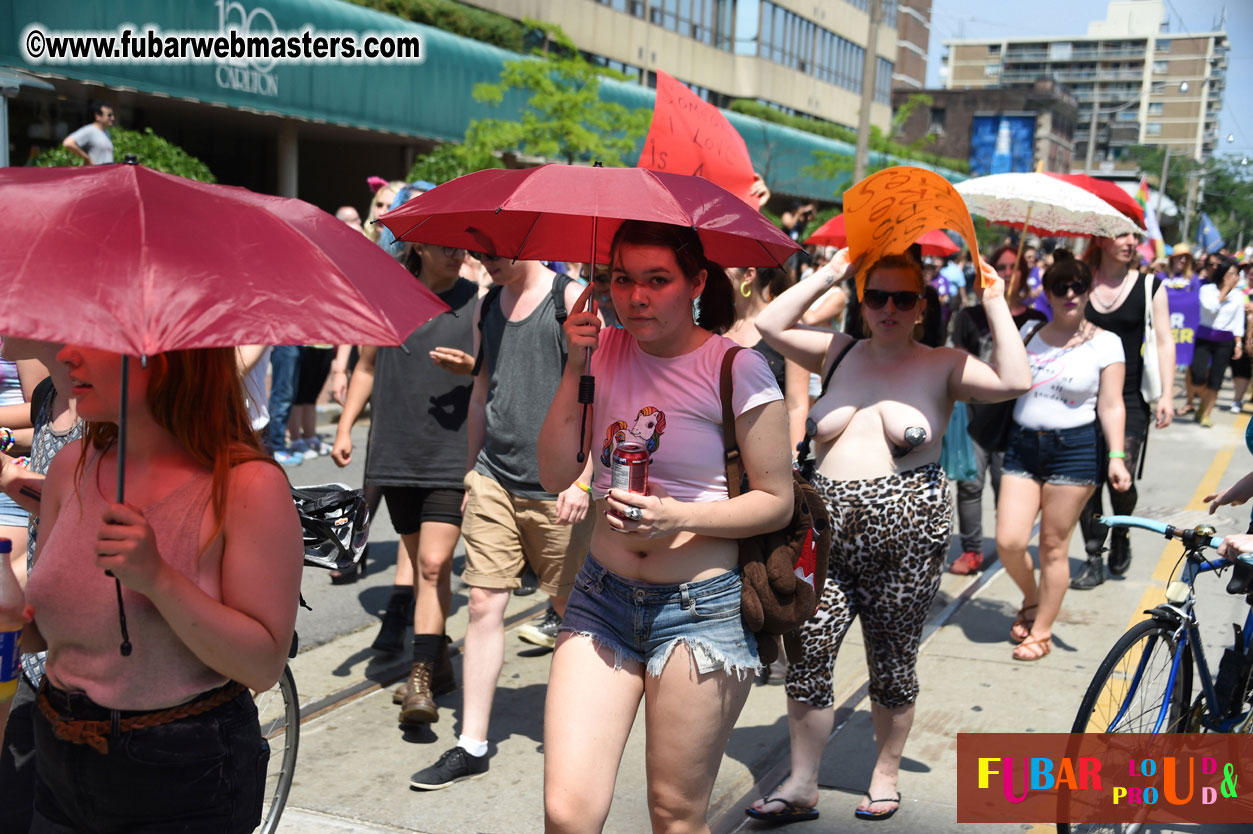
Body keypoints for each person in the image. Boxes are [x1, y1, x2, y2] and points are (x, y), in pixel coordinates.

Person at [750, 249, 1030, 822]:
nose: (889, 308)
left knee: (893, 662)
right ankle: (801, 782)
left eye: (903, 298)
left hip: (906, 537)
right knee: (807, 656)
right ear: (862, 300)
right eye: (876, 295)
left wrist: (995, 301)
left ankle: (884, 775)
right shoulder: (837, 350)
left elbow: (1015, 380)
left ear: (921, 307)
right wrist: (833, 271)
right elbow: (769, 323)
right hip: (826, 533)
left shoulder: (943, 364)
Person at [537, 220, 792, 833]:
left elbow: (777, 501)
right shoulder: (599, 351)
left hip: (700, 611)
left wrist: (679, 516)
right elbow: (553, 474)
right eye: (623, 279)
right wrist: (573, 367)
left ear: (696, 283)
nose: (636, 297)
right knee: (567, 813)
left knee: (675, 815)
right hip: (601, 598)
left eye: (658, 280)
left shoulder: (736, 368)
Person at [9, 345, 303, 832]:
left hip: (183, 775)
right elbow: (48, 628)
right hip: (60, 757)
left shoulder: (247, 484)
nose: (69, 355)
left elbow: (261, 665)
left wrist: (159, 579)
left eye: (97, 343)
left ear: (165, 359)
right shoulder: (71, 465)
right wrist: (12, 616)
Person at [408, 254, 593, 790]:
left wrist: (584, 479)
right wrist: (471, 473)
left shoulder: (569, 299)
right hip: (494, 478)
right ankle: (471, 743)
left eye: (494, 253)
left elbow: (598, 393)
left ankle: (582, 728)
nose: (484, 262)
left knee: (572, 611)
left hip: (559, 485)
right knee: (484, 602)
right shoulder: (488, 303)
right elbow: (481, 390)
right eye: (481, 253)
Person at [332, 242, 477, 725]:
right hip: (397, 452)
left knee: (434, 565)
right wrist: (344, 428)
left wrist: (470, 368)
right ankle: (438, 659)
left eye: (463, 247)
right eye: (447, 246)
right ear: (419, 245)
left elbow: (493, 374)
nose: (458, 254)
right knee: (420, 565)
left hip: (451, 454)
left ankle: (419, 678)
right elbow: (366, 367)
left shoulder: (478, 302)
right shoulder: (386, 297)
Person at [995, 253, 1131, 661]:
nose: (1070, 293)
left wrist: (1117, 456)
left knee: (1054, 546)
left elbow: (1112, 405)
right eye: (1060, 286)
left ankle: (1042, 631)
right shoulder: (1029, 330)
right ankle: (1032, 597)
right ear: (1048, 293)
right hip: (1022, 445)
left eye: (1078, 286)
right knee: (1009, 541)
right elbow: (1002, 375)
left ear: (1089, 290)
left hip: (1074, 452)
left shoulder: (1106, 342)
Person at [0, 338, 82, 833]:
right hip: (40, 646)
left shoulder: (100, 407)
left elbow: (84, 510)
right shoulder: (48, 394)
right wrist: (9, 466)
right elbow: (53, 502)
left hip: (85, 653)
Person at [1073, 232, 1175, 589]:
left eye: (1135, 235)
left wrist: (1166, 395)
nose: (1131, 241)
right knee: (1087, 482)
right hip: (1084, 397)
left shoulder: (1149, 286)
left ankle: (1121, 531)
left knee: (1121, 479)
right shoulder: (1081, 280)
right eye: (1121, 234)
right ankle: (1093, 556)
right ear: (1102, 239)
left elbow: (1164, 340)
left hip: (1129, 398)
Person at [948, 245, 1048, 575]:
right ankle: (972, 550)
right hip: (975, 415)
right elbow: (957, 361)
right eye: (1000, 266)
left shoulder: (1036, 321)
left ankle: (1010, 547)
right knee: (969, 485)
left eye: (1012, 266)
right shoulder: (969, 317)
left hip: (1017, 419)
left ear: (1023, 272)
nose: (1006, 272)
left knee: (1009, 489)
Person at [1189, 257, 1242, 427]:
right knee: (1197, 376)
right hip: (1205, 337)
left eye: (1236, 275)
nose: (1234, 278)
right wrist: (1225, 289)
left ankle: (1206, 413)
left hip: (1224, 341)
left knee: (1216, 379)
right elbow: (1211, 308)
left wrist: (1238, 344)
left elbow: (1238, 321)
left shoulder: (1238, 296)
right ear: (1222, 274)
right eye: (1231, 274)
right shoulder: (1207, 290)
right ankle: (1203, 401)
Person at [60, 101, 114, 166]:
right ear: (97, 116)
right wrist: (87, 158)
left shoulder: (106, 132)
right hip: (95, 171)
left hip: (108, 171)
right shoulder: (89, 130)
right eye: (109, 115)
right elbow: (68, 143)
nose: (112, 118)